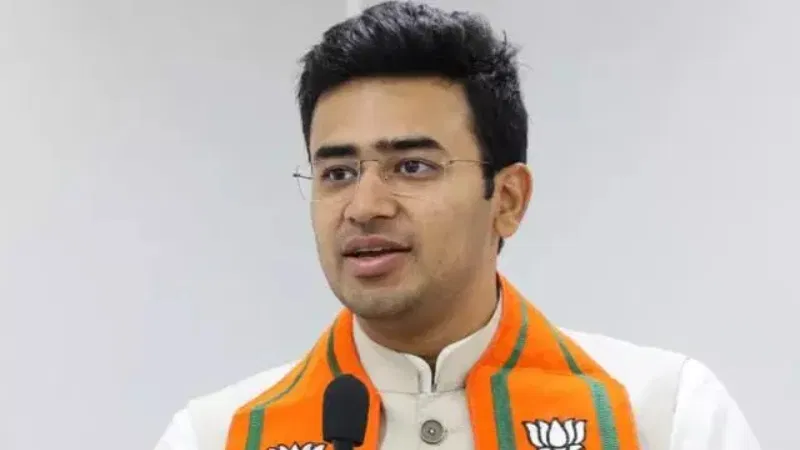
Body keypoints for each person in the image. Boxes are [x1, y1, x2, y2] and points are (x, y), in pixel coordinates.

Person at [153, 2, 760, 449]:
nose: (364, 205)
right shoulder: (218, 435)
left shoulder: (661, 414)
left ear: (508, 199)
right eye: (337, 173)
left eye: (412, 166)